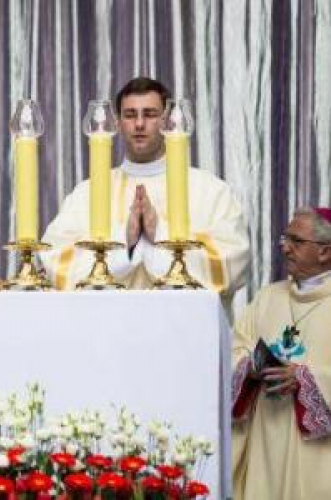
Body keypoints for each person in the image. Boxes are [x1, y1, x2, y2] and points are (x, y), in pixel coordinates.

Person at [41, 77, 249, 307]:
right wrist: (124, 242)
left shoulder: (210, 191)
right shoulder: (86, 194)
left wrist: (158, 233)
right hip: (107, 331)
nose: (139, 124)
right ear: (118, 123)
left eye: (150, 114)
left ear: (166, 120)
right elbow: (56, 259)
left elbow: (234, 260)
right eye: (130, 115)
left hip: (184, 333)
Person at [231, 207, 331, 499]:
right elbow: (237, 348)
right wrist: (248, 366)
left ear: (325, 252)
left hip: (317, 453)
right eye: (284, 239)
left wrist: (305, 377)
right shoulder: (267, 297)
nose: (285, 248)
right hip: (264, 432)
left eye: (296, 241)